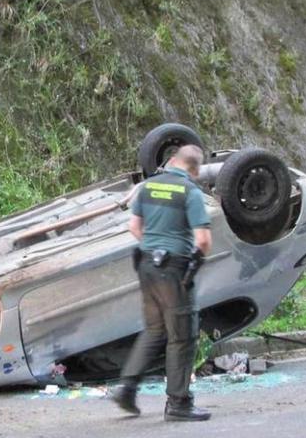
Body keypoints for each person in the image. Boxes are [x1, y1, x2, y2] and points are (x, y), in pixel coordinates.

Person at [111, 144, 213, 422]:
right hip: (174, 270)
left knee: (155, 329)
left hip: (146, 264)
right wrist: (191, 260)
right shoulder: (190, 192)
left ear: (171, 161)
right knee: (183, 335)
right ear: (195, 169)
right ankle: (179, 403)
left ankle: (127, 388)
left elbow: (134, 226)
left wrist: (154, 251)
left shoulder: (148, 186)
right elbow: (203, 240)